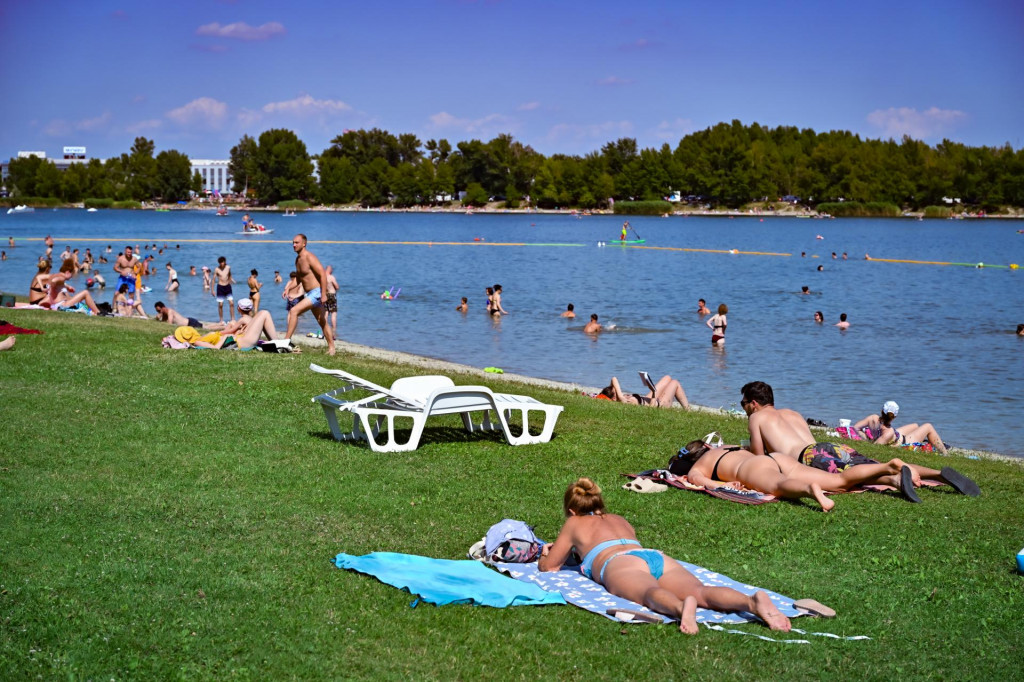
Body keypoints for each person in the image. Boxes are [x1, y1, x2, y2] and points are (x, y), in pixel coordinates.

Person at [538, 478, 792, 635]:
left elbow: (550, 567)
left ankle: (681, 608)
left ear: (572, 510)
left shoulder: (575, 523)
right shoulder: (618, 519)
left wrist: (544, 553)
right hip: (653, 556)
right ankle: (750, 602)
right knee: (701, 591)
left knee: (649, 592)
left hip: (620, 563)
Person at [740, 381, 977, 498]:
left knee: (859, 476)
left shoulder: (757, 417)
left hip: (809, 456)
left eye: (744, 404)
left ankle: (894, 476)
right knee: (871, 465)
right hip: (826, 446)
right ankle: (937, 473)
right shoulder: (792, 413)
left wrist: (746, 450)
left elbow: (760, 458)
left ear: (754, 403)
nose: (744, 408)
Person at [672, 440, 913, 510]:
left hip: (751, 469)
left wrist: (720, 483)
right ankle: (886, 467)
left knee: (780, 485)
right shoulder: (725, 447)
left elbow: (697, 480)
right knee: (840, 481)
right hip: (775, 457)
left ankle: (810, 490)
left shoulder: (700, 464)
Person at [285, 234, 335, 355]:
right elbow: (299, 279)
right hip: (310, 294)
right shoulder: (298, 260)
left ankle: (285, 341)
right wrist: (288, 288)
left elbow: (323, 274)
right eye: (293, 242)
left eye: (296, 242)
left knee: (294, 311)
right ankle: (332, 348)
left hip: (317, 292)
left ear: (304, 244)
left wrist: (323, 294)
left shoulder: (309, 257)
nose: (294, 245)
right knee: (322, 321)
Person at [853, 401, 949, 454]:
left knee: (915, 425)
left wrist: (867, 438)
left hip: (895, 435)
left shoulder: (872, 418)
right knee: (928, 426)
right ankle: (945, 453)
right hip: (902, 441)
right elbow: (875, 448)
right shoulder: (888, 432)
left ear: (882, 410)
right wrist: (871, 442)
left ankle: (928, 441)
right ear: (894, 416)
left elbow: (856, 428)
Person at [599, 375, 689, 409]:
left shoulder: (621, 398)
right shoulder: (627, 402)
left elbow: (614, 378)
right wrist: (653, 392)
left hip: (647, 398)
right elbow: (651, 409)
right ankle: (687, 410)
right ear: (614, 398)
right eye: (616, 390)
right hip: (659, 403)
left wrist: (620, 396)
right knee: (675, 382)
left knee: (667, 377)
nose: (618, 389)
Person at [213, 256, 235, 323]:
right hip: (220, 287)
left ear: (225, 262)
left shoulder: (228, 267)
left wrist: (231, 280)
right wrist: (212, 290)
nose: (221, 263)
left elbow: (229, 274)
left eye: (222, 262)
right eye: (220, 262)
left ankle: (232, 319)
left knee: (231, 303)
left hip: (228, 287)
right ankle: (221, 320)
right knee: (220, 305)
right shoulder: (217, 269)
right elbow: (213, 280)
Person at [324, 264, 340, 333]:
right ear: (330, 270)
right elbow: (337, 287)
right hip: (332, 295)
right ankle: (334, 330)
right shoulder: (331, 277)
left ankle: (324, 328)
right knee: (333, 313)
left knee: (326, 313)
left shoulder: (322, 277)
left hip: (325, 295)